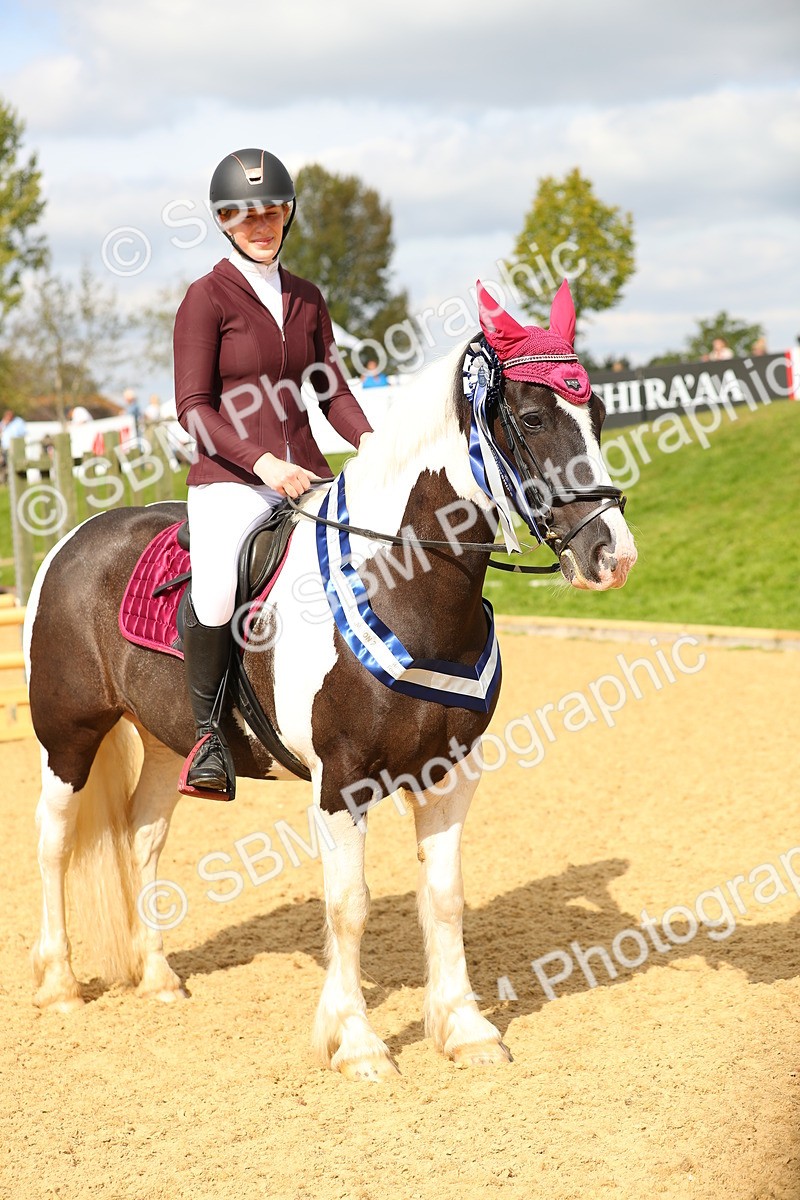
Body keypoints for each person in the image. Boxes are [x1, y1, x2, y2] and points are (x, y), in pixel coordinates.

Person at [173, 147, 373, 800]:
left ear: (288, 215)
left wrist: (373, 444)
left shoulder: (308, 299)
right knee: (219, 589)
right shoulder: (205, 300)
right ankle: (207, 737)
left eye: (272, 211)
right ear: (224, 221)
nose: (260, 224)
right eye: (244, 214)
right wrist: (260, 463)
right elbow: (192, 408)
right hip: (230, 481)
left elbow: (332, 391)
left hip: (308, 474)